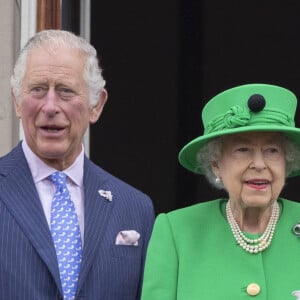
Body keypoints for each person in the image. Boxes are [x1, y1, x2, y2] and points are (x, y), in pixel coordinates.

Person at [0, 29, 155, 300]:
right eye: (38, 89)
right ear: (16, 101)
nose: (50, 106)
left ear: (96, 105)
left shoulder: (134, 208)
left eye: (65, 91)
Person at [141, 83, 300, 299]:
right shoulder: (176, 231)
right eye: (243, 150)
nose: (259, 164)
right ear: (216, 164)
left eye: (272, 150)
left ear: (286, 162)